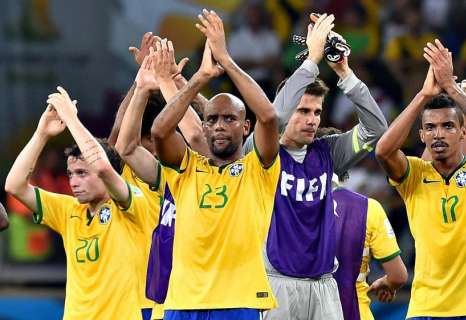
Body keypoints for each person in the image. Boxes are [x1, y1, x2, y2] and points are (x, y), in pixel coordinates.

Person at [243, 14, 389, 320]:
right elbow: (274, 116)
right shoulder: (262, 153)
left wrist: (344, 73)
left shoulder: (328, 152)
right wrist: (311, 59)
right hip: (276, 283)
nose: (312, 120)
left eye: (317, 112)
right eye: (303, 111)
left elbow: (376, 129)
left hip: (325, 286)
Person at [147, 10, 280, 320]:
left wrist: (225, 60)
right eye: (212, 119)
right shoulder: (186, 168)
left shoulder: (258, 170)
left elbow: (270, 117)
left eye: (230, 119)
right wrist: (200, 78)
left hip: (239, 300)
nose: (219, 126)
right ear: (203, 127)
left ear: (245, 127)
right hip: (182, 302)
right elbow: (159, 131)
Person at [375, 39, 466, 318]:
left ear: (463, 131)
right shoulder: (414, 175)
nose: (438, 134)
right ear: (421, 136)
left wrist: (453, 90)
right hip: (425, 308)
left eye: (447, 126)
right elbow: (384, 151)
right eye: (430, 128)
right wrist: (424, 95)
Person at [4, 88, 149, 320]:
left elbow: (101, 166)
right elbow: (14, 185)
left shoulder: (133, 205)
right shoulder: (69, 210)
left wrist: (71, 118)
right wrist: (42, 133)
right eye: (71, 174)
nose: (74, 182)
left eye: (82, 173)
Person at [114, 37, 207, 320]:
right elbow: (121, 140)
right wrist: (141, 83)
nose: (157, 146)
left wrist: (177, 82)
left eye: (165, 138)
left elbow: (204, 126)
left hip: (199, 291)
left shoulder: (197, 171)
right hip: (150, 295)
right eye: (151, 140)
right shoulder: (147, 173)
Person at [332, 173, 408, 320]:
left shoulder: (292, 207)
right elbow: (398, 276)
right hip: (356, 311)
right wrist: (386, 283)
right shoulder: (368, 207)